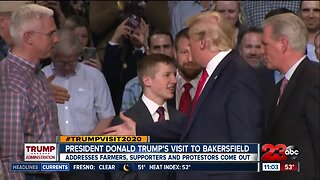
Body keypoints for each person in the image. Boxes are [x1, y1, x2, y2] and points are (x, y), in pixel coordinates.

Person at [105, 11, 263, 180]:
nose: (189, 50)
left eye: (191, 43)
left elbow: (246, 147)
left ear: (202, 43)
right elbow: (190, 125)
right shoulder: (217, 74)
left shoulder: (237, 76)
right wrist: (139, 130)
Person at [43, 28, 114, 180]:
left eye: (72, 61)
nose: (68, 66)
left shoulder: (94, 77)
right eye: (62, 62)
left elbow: (107, 116)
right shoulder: (41, 78)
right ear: (52, 55)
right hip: (52, 154)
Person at [0, 4, 59, 179]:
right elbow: (9, 157)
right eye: (50, 34)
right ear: (28, 37)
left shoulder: (37, 73)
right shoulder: (12, 83)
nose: (56, 39)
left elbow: (44, 137)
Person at [260, 13, 319, 180]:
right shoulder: (277, 89)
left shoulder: (314, 81)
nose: (261, 51)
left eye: (265, 44)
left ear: (283, 44)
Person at [112, 54, 185, 180]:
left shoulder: (181, 120)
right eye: (167, 75)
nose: (174, 80)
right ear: (147, 81)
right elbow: (122, 176)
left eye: (174, 74)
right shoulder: (123, 125)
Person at [121, 29, 174, 112]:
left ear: (173, 50)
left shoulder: (182, 82)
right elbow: (127, 121)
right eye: (156, 48)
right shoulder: (133, 86)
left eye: (166, 47)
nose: (162, 52)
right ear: (148, 52)